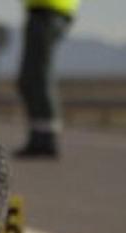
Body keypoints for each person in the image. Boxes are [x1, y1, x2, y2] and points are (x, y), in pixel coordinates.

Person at [16, 0, 80, 159]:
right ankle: (38, 138)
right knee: (30, 79)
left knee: (38, 77)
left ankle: (47, 140)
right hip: (43, 11)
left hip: (49, 11)